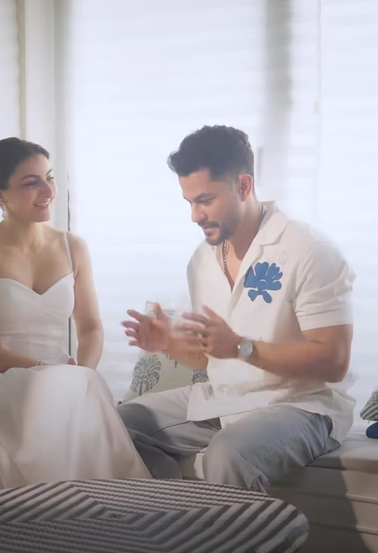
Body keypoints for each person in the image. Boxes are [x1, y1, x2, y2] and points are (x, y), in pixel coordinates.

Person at [118, 125, 355, 492]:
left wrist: (242, 347)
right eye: (189, 202)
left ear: (243, 186)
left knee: (228, 453)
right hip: (225, 398)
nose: (195, 215)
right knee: (119, 424)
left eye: (205, 200)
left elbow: (334, 361)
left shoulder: (308, 249)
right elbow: (208, 358)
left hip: (300, 405)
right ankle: (173, 517)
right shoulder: (202, 260)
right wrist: (168, 344)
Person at [0, 137, 150, 491]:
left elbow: (90, 327)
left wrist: (83, 372)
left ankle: (116, 505)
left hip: (59, 377)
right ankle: (59, 509)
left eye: (49, 177)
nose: (48, 190)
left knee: (82, 386)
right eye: (31, 182)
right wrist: (45, 369)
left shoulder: (73, 247)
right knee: (63, 391)